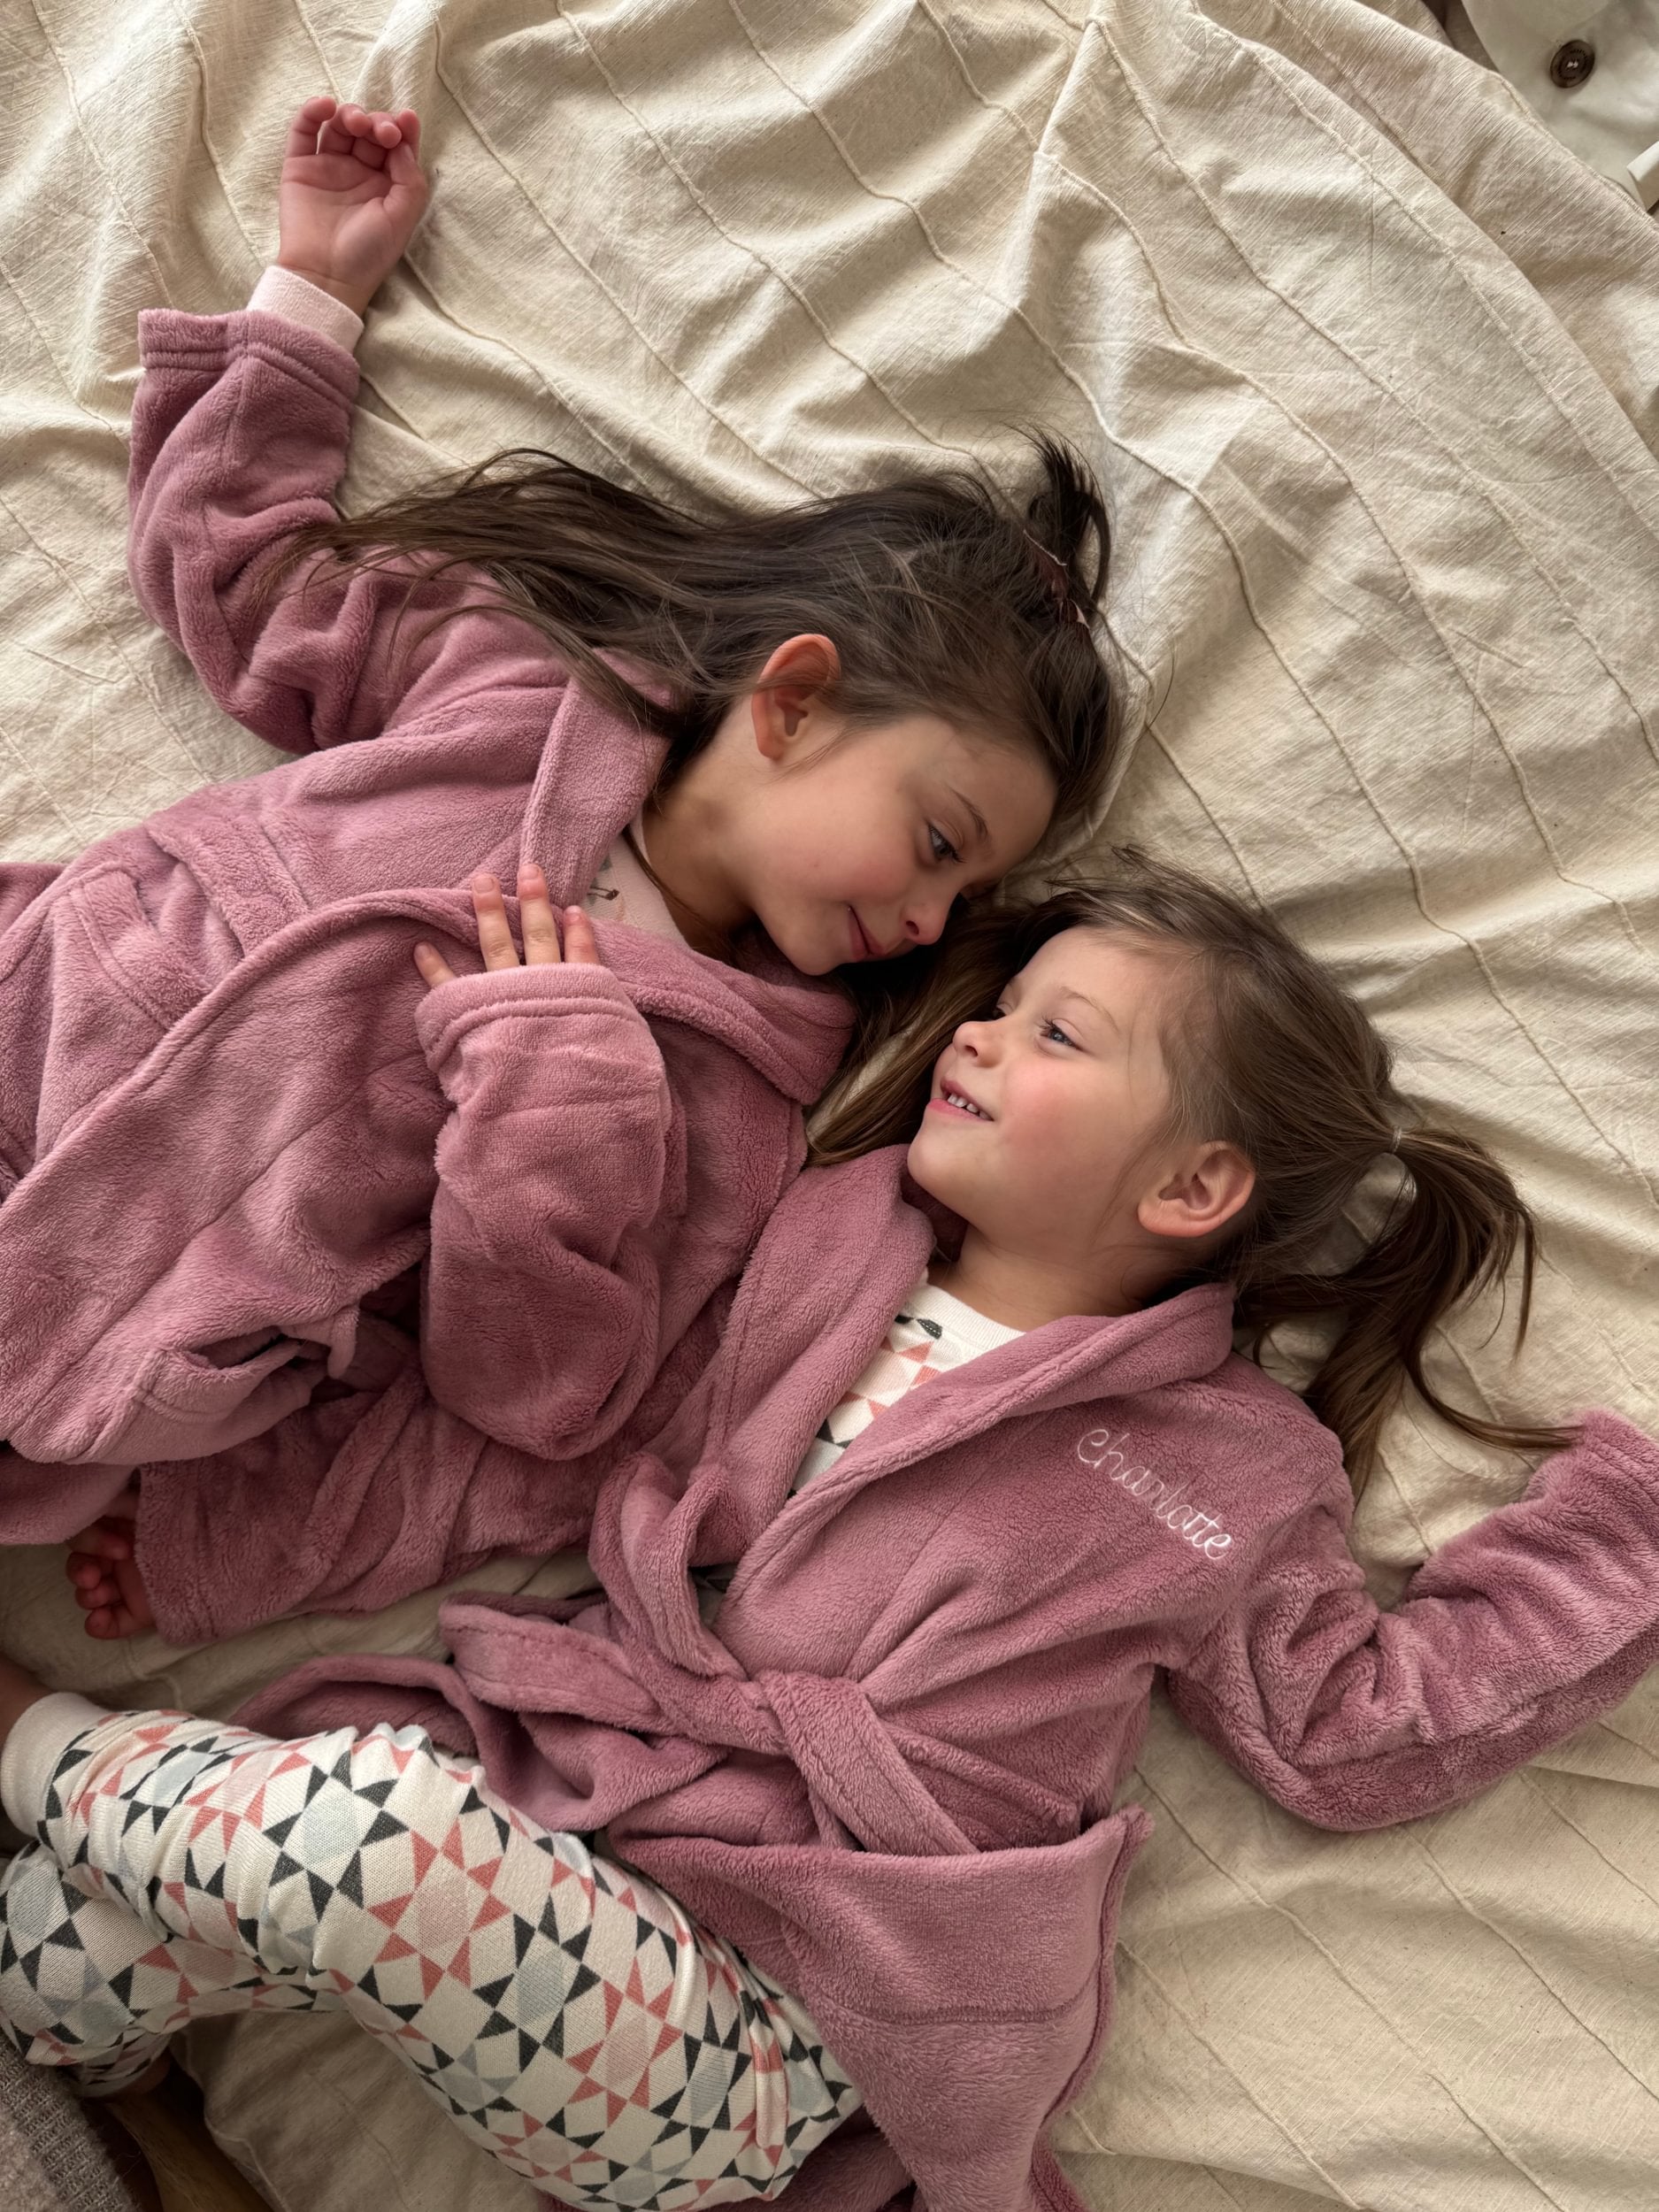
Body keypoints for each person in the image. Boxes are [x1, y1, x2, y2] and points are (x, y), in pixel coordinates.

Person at [11, 854, 1658, 2212]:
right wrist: (215, 1547)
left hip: (791, 2033)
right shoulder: (813, 1248)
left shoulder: (1234, 1462)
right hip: (576, 1817)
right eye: (999, 1009)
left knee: (365, 1840)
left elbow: (1352, 1729)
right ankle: (112, 2072)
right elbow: (528, 1454)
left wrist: (1619, 1542)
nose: (984, 1040)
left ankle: (25, 1736)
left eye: (1056, 1038)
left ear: (1191, 1189)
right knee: (74, 1951)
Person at [0, 96, 1114, 1514]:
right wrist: (312, 298)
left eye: (960, 900)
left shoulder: (743, 1080)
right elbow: (245, 579)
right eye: (938, 843)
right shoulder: (520, 688)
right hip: (47, 1024)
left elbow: (541, 1395)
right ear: (793, 703)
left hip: (137, 1352)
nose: (926, 916)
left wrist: (549, 1099)